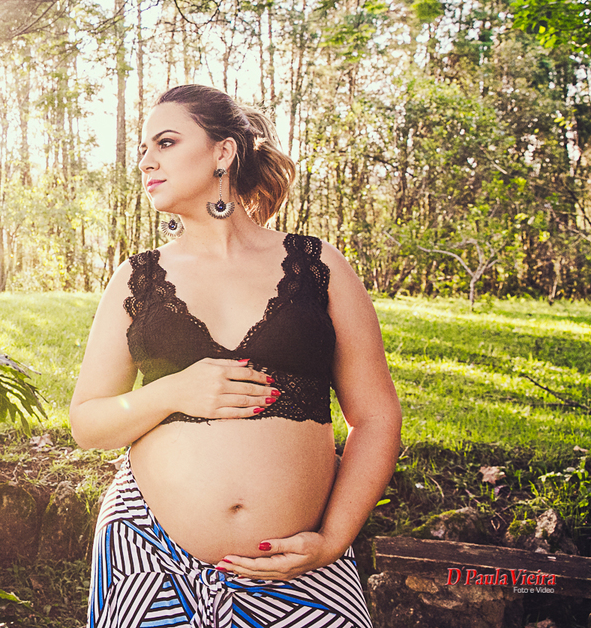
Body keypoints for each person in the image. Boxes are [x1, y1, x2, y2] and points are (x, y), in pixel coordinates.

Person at [70, 84, 401, 628]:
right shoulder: (137, 279)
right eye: (143, 148)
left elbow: (377, 416)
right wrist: (174, 391)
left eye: (166, 142)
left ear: (223, 153)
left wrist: (332, 541)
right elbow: (87, 422)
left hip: (299, 571)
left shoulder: (319, 267)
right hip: (148, 560)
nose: (146, 160)